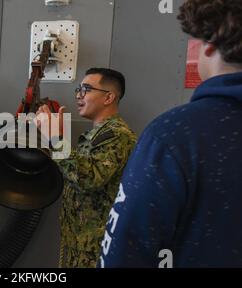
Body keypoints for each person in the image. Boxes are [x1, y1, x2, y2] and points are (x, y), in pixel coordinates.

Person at [99, 0, 242, 268]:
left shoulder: (174, 135)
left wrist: (53, 142)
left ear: (208, 47)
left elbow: (126, 247)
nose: (80, 97)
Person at [37, 68, 137, 267]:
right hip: (78, 239)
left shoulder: (118, 134)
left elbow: (88, 178)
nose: (79, 95)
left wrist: (56, 139)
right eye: (78, 89)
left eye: (86, 89)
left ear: (109, 97)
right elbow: (75, 171)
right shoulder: (97, 134)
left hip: (95, 246)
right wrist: (53, 138)